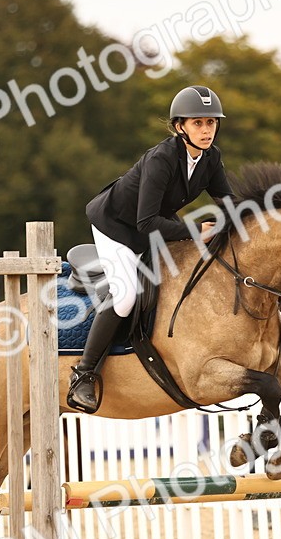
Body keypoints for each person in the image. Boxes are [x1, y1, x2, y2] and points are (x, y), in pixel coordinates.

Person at [67, 85, 233, 413]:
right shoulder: (162, 158)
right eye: (198, 123)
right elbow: (145, 223)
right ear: (180, 126)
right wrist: (196, 231)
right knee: (126, 294)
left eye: (211, 122)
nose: (206, 130)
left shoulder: (211, 158)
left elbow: (229, 202)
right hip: (116, 226)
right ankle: (84, 374)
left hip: (156, 222)